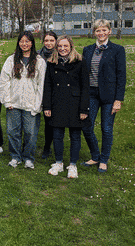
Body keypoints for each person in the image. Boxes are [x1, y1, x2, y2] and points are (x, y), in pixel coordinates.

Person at [81, 20, 126, 173]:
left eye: (104, 30)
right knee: (87, 126)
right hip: (91, 94)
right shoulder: (87, 50)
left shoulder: (117, 50)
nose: (101, 33)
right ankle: (95, 156)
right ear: (94, 32)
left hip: (109, 96)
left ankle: (104, 160)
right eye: (98, 30)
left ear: (109, 32)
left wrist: (118, 100)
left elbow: (121, 76)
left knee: (106, 129)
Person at [43, 36, 89, 178]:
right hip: (57, 102)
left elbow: (85, 87)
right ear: (56, 48)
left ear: (71, 47)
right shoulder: (51, 63)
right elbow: (48, 86)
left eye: (66, 46)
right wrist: (47, 106)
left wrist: (84, 108)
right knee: (57, 135)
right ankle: (59, 163)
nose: (63, 49)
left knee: (75, 136)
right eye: (60, 46)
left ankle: (73, 165)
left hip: (75, 103)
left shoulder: (80, 62)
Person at [0, 31, 46, 169]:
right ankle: (15, 157)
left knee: (30, 133)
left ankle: (28, 158)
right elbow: (4, 82)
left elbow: (41, 85)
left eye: (27, 41)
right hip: (14, 103)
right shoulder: (11, 60)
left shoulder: (39, 61)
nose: (24, 44)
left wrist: (37, 105)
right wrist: (7, 101)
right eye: (22, 41)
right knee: (13, 131)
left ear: (32, 43)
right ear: (18, 43)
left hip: (31, 104)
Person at [37, 31, 58, 159]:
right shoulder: (38, 55)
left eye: (51, 40)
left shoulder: (60, 53)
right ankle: (46, 146)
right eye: (46, 40)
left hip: (55, 91)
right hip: (40, 90)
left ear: (56, 41)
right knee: (47, 120)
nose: (49, 43)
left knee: (53, 121)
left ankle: (52, 146)